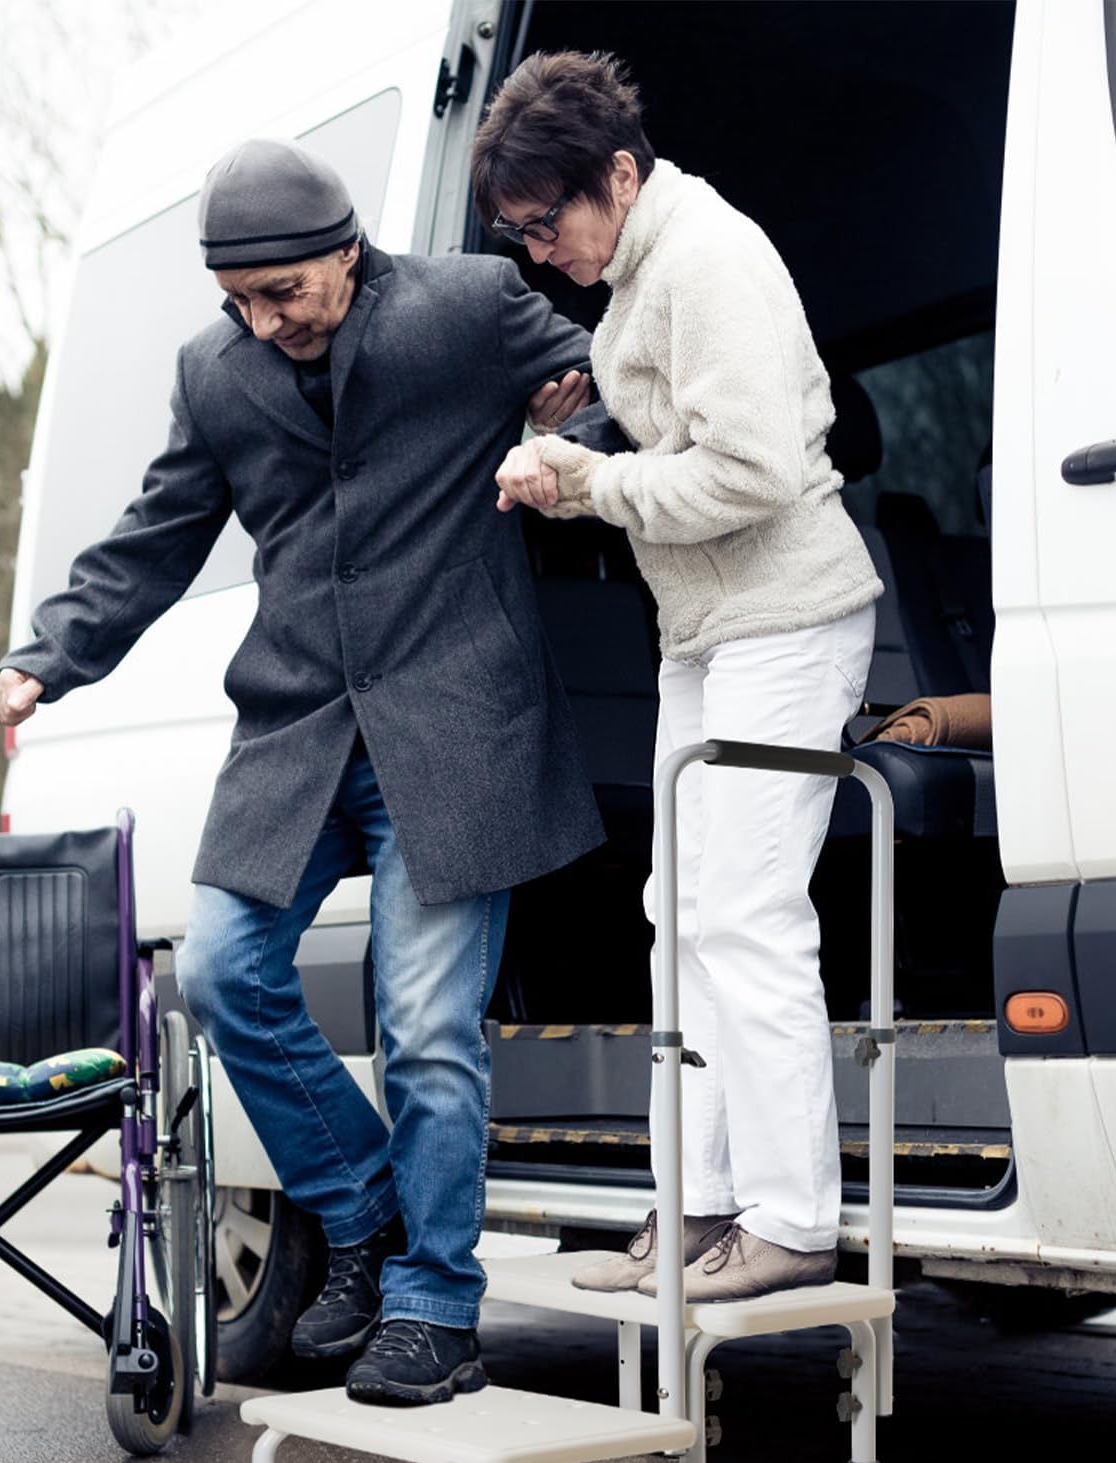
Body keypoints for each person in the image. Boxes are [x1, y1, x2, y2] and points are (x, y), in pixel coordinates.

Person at [0, 138, 615, 1401]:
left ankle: (436, 1307)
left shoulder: (462, 307)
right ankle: (364, 1210)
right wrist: (45, 655)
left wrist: (572, 421)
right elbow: (157, 535)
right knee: (222, 972)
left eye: (285, 294)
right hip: (295, 734)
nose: (264, 323)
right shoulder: (215, 374)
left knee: (429, 1026)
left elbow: (605, 385)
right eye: (240, 302)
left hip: (454, 727)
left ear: (345, 251)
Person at [474, 52, 884, 1301]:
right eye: (519, 236)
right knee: (678, 916)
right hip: (706, 634)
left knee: (750, 918)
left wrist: (590, 484)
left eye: (551, 223)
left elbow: (753, 471)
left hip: (787, 618)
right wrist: (575, 443)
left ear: (618, 172)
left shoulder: (705, 259)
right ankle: (693, 1209)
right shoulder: (637, 277)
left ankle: (791, 1219)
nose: (543, 254)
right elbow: (676, 443)